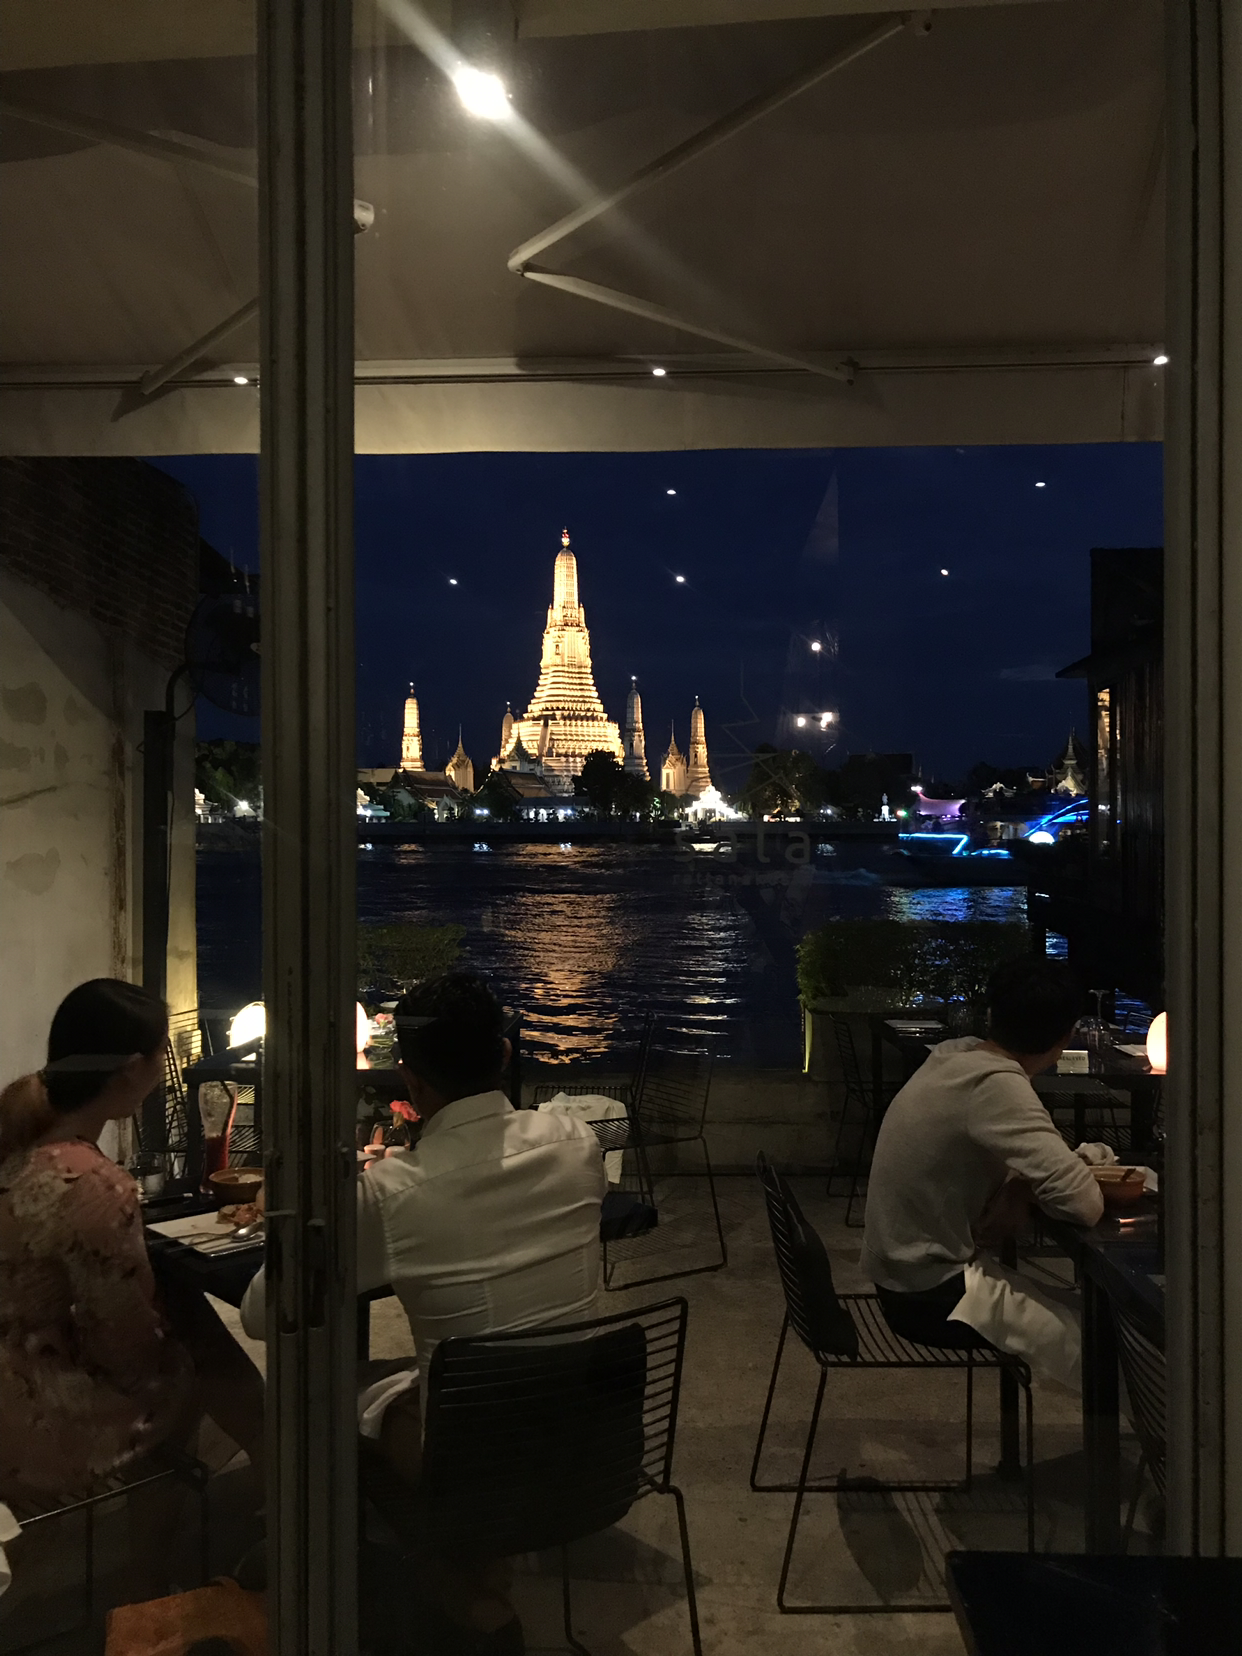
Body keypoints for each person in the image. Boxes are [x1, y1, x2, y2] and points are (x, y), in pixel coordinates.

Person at [240, 971, 607, 1647]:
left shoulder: (392, 1195)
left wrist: (305, 1211)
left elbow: (264, 1313)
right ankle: (471, 1574)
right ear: (503, 1054)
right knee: (439, 1380)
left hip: (473, 1458)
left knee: (315, 1396)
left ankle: (400, 1584)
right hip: (588, 1439)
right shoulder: (578, 1143)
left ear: (408, 1079)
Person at [0, 979, 265, 1513]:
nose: (162, 1070)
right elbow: (127, 1354)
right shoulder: (93, 1185)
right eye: (160, 1055)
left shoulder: (19, 1134)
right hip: (39, 1413)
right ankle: (252, 1501)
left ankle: (269, 1478)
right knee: (204, 1353)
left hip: (13, 1370)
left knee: (185, 1311)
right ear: (129, 1070)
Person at [862, 956, 1104, 1387]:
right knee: (1105, 1346)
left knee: (1094, 1319)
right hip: (931, 1291)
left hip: (900, 1275)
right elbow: (1084, 1204)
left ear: (992, 1015)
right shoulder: (994, 1084)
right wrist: (1025, 1189)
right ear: (1067, 1035)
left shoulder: (955, 1056)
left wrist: (1021, 1187)